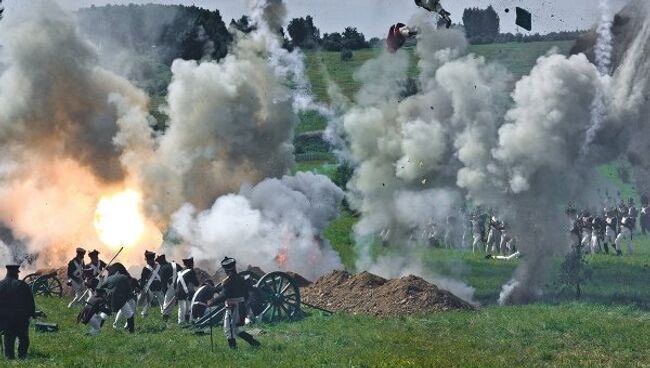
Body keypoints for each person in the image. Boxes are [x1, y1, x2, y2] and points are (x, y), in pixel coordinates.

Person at [207, 257, 260, 349]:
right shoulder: (240, 279)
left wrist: (212, 301)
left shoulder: (229, 281)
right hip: (239, 306)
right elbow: (244, 294)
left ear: (226, 270)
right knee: (235, 329)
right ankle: (254, 343)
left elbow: (225, 295)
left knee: (229, 330)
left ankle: (233, 349)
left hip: (234, 307)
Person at [0, 265, 36, 360]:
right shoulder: (23, 285)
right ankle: (22, 355)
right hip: (20, 318)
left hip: (5, 318)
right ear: (16, 273)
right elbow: (30, 301)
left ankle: (9, 357)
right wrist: (32, 313)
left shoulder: (0, 285)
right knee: (23, 338)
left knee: (8, 338)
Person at [90, 264, 137, 334]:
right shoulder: (124, 277)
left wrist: (100, 280)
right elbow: (128, 291)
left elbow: (98, 289)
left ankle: (95, 331)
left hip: (110, 301)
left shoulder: (109, 278)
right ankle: (131, 331)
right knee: (130, 315)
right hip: (121, 301)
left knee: (104, 315)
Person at [138, 250, 163, 317]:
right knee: (149, 303)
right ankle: (145, 314)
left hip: (152, 287)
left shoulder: (146, 268)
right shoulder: (159, 267)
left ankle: (164, 314)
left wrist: (141, 288)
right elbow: (143, 280)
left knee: (159, 303)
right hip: (156, 287)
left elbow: (143, 280)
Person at [176, 258, 199, 325]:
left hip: (179, 292)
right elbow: (196, 283)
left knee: (181, 308)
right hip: (186, 292)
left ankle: (181, 322)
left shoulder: (180, 272)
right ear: (191, 264)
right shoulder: (191, 271)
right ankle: (191, 321)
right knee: (190, 307)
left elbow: (176, 283)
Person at [157, 254, 180, 321]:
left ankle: (165, 319)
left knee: (166, 304)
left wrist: (165, 292)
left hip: (172, 286)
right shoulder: (175, 264)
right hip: (182, 285)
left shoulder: (163, 268)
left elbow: (163, 284)